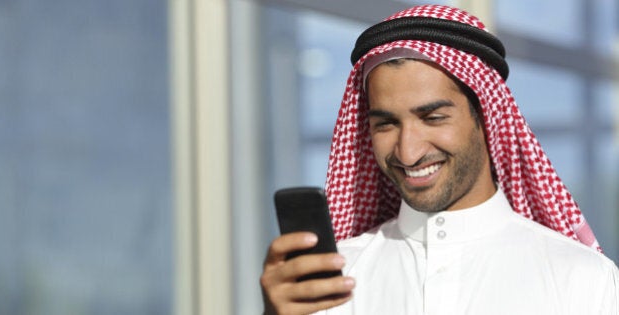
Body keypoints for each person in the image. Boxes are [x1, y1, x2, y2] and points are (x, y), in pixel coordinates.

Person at [261, 4, 619, 315]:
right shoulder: (332, 281)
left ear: (486, 118)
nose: (408, 151)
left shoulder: (583, 279)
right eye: (386, 124)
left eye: (433, 118)